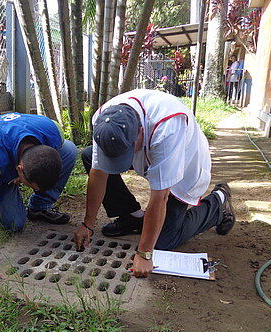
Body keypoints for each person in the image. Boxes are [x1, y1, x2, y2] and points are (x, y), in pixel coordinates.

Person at [74, 89, 235, 278]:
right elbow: (98, 173)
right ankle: (132, 216)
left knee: (164, 242)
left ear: (140, 131)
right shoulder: (103, 120)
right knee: (88, 156)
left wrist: (144, 253)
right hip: (147, 151)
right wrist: (88, 225)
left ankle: (218, 203)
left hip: (184, 165)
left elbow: (160, 197)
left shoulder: (167, 129)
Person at [0, 112, 78, 288]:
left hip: (14, 157)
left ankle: (39, 207)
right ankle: (3, 187)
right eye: (31, 185)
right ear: (19, 169)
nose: (32, 189)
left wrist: (29, 178)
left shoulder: (52, 131)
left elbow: (57, 153)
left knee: (69, 150)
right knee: (15, 222)